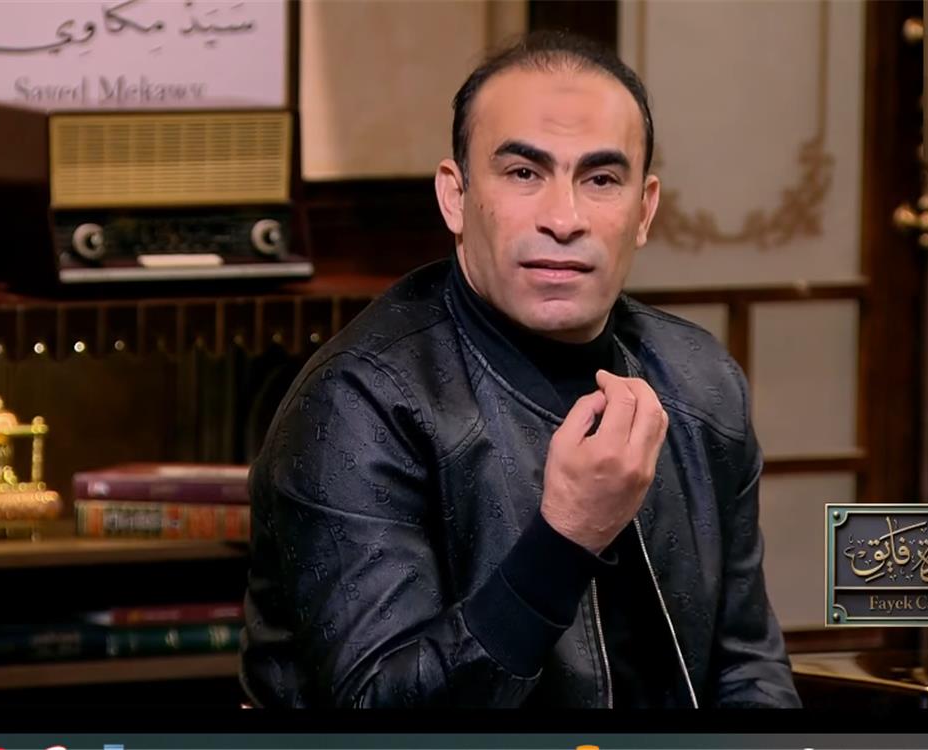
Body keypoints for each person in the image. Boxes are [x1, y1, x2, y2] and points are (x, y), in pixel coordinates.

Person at [241, 30, 800, 709]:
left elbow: (748, 669)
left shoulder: (699, 379)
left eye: (601, 180)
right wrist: (564, 540)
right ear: (455, 197)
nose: (564, 219)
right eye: (523, 174)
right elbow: (379, 708)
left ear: (644, 209)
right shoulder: (359, 403)